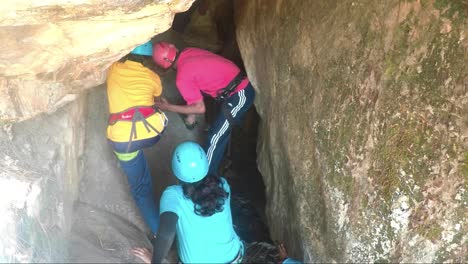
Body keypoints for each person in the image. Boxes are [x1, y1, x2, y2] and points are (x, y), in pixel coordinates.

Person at [151, 42, 255, 175]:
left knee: (215, 138)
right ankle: (193, 119)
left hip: (240, 94)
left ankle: (205, 179)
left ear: (164, 63)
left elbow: (200, 108)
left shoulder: (182, 78)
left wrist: (168, 107)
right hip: (233, 82)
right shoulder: (188, 51)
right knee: (196, 90)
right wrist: (191, 116)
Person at [132, 141, 243, 263]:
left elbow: (166, 233)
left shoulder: (173, 195)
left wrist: (154, 261)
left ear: (175, 168)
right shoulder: (223, 185)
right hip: (234, 258)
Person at [106, 41, 168, 236]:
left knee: (140, 187)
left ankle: (160, 232)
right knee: (154, 113)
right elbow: (157, 95)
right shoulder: (153, 76)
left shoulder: (114, 69)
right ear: (149, 58)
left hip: (124, 140)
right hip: (153, 132)